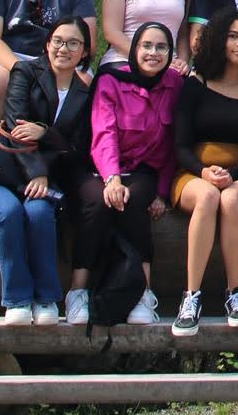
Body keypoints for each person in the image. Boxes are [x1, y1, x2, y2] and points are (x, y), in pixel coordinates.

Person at [0, 14, 92, 324]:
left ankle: (47, 297)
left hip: (44, 180)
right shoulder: (26, 71)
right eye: (58, 41)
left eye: (73, 43)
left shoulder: (85, 92)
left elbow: (78, 147)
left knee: (38, 213)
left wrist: (45, 133)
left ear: (84, 51)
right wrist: (37, 169)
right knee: (8, 212)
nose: (64, 49)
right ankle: (17, 299)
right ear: (47, 44)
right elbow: (14, 124)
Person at [64, 22, 184, 326]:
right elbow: (103, 132)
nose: (153, 53)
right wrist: (111, 178)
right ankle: (78, 291)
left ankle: (143, 292)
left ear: (170, 53)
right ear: (134, 49)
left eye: (161, 47)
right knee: (96, 203)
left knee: (134, 203)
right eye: (146, 46)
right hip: (98, 167)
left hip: (145, 169)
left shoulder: (175, 84)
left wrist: (162, 191)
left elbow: (174, 143)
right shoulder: (111, 79)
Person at [169, 9, 238, 336]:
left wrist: (232, 174)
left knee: (229, 200)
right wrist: (204, 172)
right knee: (206, 199)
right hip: (194, 172)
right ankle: (191, 296)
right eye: (232, 36)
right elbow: (180, 146)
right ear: (219, 39)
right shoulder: (196, 82)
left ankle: (236, 294)